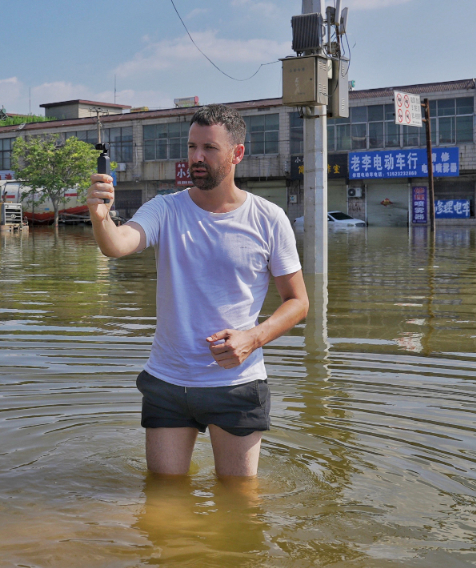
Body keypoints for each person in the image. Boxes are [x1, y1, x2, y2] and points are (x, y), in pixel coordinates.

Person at [86, 104, 309, 477]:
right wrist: (100, 216)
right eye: (191, 147)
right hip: (168, 382)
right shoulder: (165, 209)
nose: (197, 157)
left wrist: (252, 338)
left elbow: (299, 301)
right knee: (163, 497)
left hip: (236, 383)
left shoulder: (268, 218)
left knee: (239, 504)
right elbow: (116, 245)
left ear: (237, 153)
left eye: (209, 148)